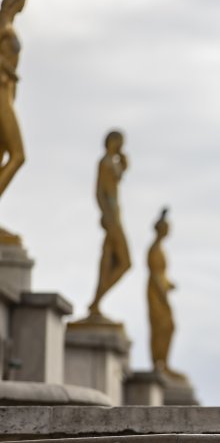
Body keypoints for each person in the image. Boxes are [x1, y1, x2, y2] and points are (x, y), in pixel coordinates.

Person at [88, 130, 132, 318]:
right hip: (112, 218)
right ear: (112, 141)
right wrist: (106, 215)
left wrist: (123, 161)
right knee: (123, 262)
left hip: (116, 215)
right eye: (120, 142)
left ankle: (96, 302)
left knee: (109, 260)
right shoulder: (104, 162)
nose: (121, 145)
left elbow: (121, 173)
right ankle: (96, 301)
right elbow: (99, 192)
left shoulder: (112, 163)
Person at [0, 0, 26, 200]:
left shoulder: (8, 24)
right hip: (1, 91)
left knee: (3, 153)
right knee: (18, 155)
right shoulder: (3, 23)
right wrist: (10, 70)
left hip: (7, 92)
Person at [147, 207, 184, 380]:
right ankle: (159, 363)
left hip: (160, 291)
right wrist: (163, 295)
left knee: (167, 327)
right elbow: (155, 275)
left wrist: (169, 285)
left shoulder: (159, 249)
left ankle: (163, 362)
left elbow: (161, 275)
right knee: (163, 326)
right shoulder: (154, 250)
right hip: (156, 294)